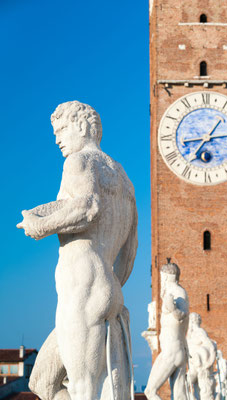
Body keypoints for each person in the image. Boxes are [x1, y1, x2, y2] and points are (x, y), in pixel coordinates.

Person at [17, 101, 138, 400]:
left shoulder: (79, 162)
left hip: (82, 286)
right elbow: (130, 250)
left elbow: (88, 207)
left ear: (82, 127)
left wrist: (40, 228)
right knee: (42, 382)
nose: (57, 138)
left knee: (84, 389)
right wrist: (110, 289)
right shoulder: (123, 180)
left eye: (61, 130)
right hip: (107, 286)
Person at [144, 261, 189, 400]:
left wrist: (172, 308)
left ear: (168, 277)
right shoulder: (174, 292)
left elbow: (182, 315)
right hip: (174, 350)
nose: (161, 281)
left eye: (162, 278)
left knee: (150, 391)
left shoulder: (178, 292)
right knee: (179, 396)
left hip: (172, 351)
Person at [187, 313, 216, 400]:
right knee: (188, 384)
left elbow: (211, 346)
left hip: (201, 366)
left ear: (192, 321)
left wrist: (209, 363)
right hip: (194, 364)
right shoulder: (191, 334)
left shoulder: (199, 332)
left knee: (204, 389)